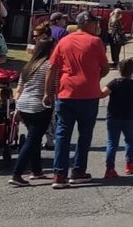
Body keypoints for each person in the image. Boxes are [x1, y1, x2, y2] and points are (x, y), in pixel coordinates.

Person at [44, 11, 110, 189]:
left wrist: (47, 93)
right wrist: (94, 76)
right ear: (86, 22)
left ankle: (59, 174)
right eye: (95, 22)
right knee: (84, 135)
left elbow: (52, 68)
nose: (97, 26)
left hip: (66, 93)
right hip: (88, 94)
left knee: (63, 134)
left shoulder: (64, 41)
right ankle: (78, 171)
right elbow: (105, 68)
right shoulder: (95, 42)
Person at [8, 40, 55, 186]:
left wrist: (16, 108)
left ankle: (36, 169)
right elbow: (55, 85)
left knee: (34, 137)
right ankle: (17, 173)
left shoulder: (28, 66)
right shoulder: (49, 66)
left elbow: (19, 88)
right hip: (39, 105)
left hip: (23, 104)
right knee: (33, 139)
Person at [102, 58, 133, 179]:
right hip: (129, 118)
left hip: (113, 117)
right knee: (130, 141)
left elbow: (102, 94)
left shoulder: (114, 83)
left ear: (119, 69)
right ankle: (129, 164)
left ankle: (110, 168)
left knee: (112, 143)